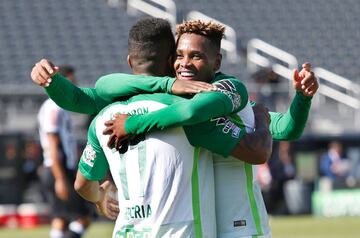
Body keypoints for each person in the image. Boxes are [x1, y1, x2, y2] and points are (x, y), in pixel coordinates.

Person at [31, 18, 318, 237]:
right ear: (170, 61)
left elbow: (280, 133)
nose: (185, 63)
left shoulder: (226, 93)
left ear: (217, 61)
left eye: (196, 56)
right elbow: (103, 87)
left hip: (241, 227)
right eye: (180, 55)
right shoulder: (175, 105)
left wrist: (299, 100)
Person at [37, 65, 92, 238]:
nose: (74, 85)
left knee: (62, 218)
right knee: (81, 217)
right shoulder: (54, 106)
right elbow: (52, 143)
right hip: (57, 169)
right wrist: (60, 178)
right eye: (72, 81)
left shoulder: (60, 106)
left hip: (60, 168)